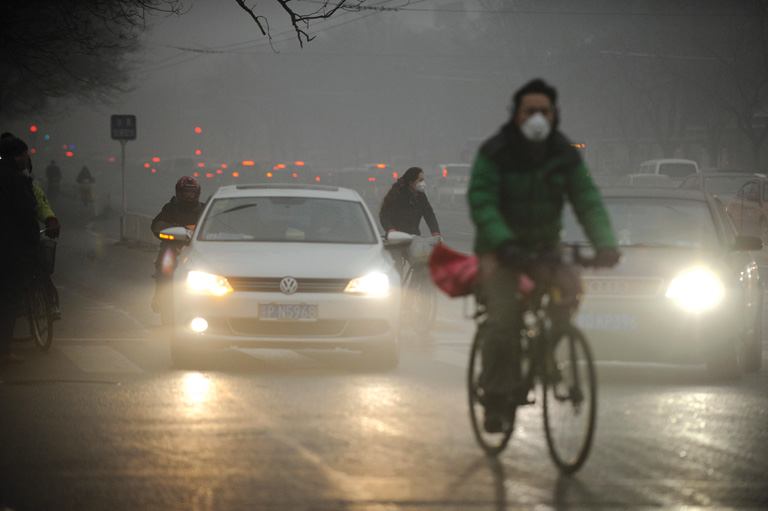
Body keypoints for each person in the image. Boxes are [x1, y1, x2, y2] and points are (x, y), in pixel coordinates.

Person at [467, 79, 620, 433]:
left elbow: (587, 199)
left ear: (554, 115)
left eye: (544, 111)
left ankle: (541, 361)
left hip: (544, 252)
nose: (537, 117)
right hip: (501, 253)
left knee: (569, 293)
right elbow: (482, 202)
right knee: (504, 323)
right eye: (530, 111)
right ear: (516, 115)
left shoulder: (565, 154)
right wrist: (503, 243)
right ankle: (495, 395)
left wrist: (606, 244)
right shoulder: (495, 152)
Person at [0, 132, 39, 365]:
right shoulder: (16, 179)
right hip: (11, 249)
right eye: (25, 153)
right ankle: (4, 350)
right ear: (17, 156)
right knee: (9, 299)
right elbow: (26, 215)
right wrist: (31, 245)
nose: (27, 157)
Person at [150, 176, 205, 313]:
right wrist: (177, 229)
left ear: (197, 193)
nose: (188, 195)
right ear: (179, 192)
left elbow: (215, 225)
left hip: (196, 248)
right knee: (163, 264)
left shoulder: (204, 210)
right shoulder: (170, 208)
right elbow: (157, 225)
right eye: (186, 192)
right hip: (172, 246)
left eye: (191, 193)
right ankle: (160, 294)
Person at [379, 166, 442, 269]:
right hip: (396, 241)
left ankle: (415, 284)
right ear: (411, 182)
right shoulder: (397, 195)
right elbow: (384, 215)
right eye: (420, 180)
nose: (423, 183)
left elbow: (429, 215)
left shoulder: (421, 196)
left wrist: (436, 233)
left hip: (413, 238)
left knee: (421, 267)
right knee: (397, 268)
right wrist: (391, 231)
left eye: (423, 180)